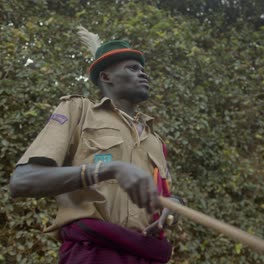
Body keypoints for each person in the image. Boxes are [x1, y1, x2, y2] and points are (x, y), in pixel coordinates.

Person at [9, 38, 182, 264]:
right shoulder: (78, 110)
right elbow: (22, 180)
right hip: (92, 255)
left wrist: (175, 204)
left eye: (142, 69)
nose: (143, 74)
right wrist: (108, 169)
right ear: (105, 76)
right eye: (132, 68)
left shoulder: (155, 140)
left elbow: (163, 196)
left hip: (148, 255)